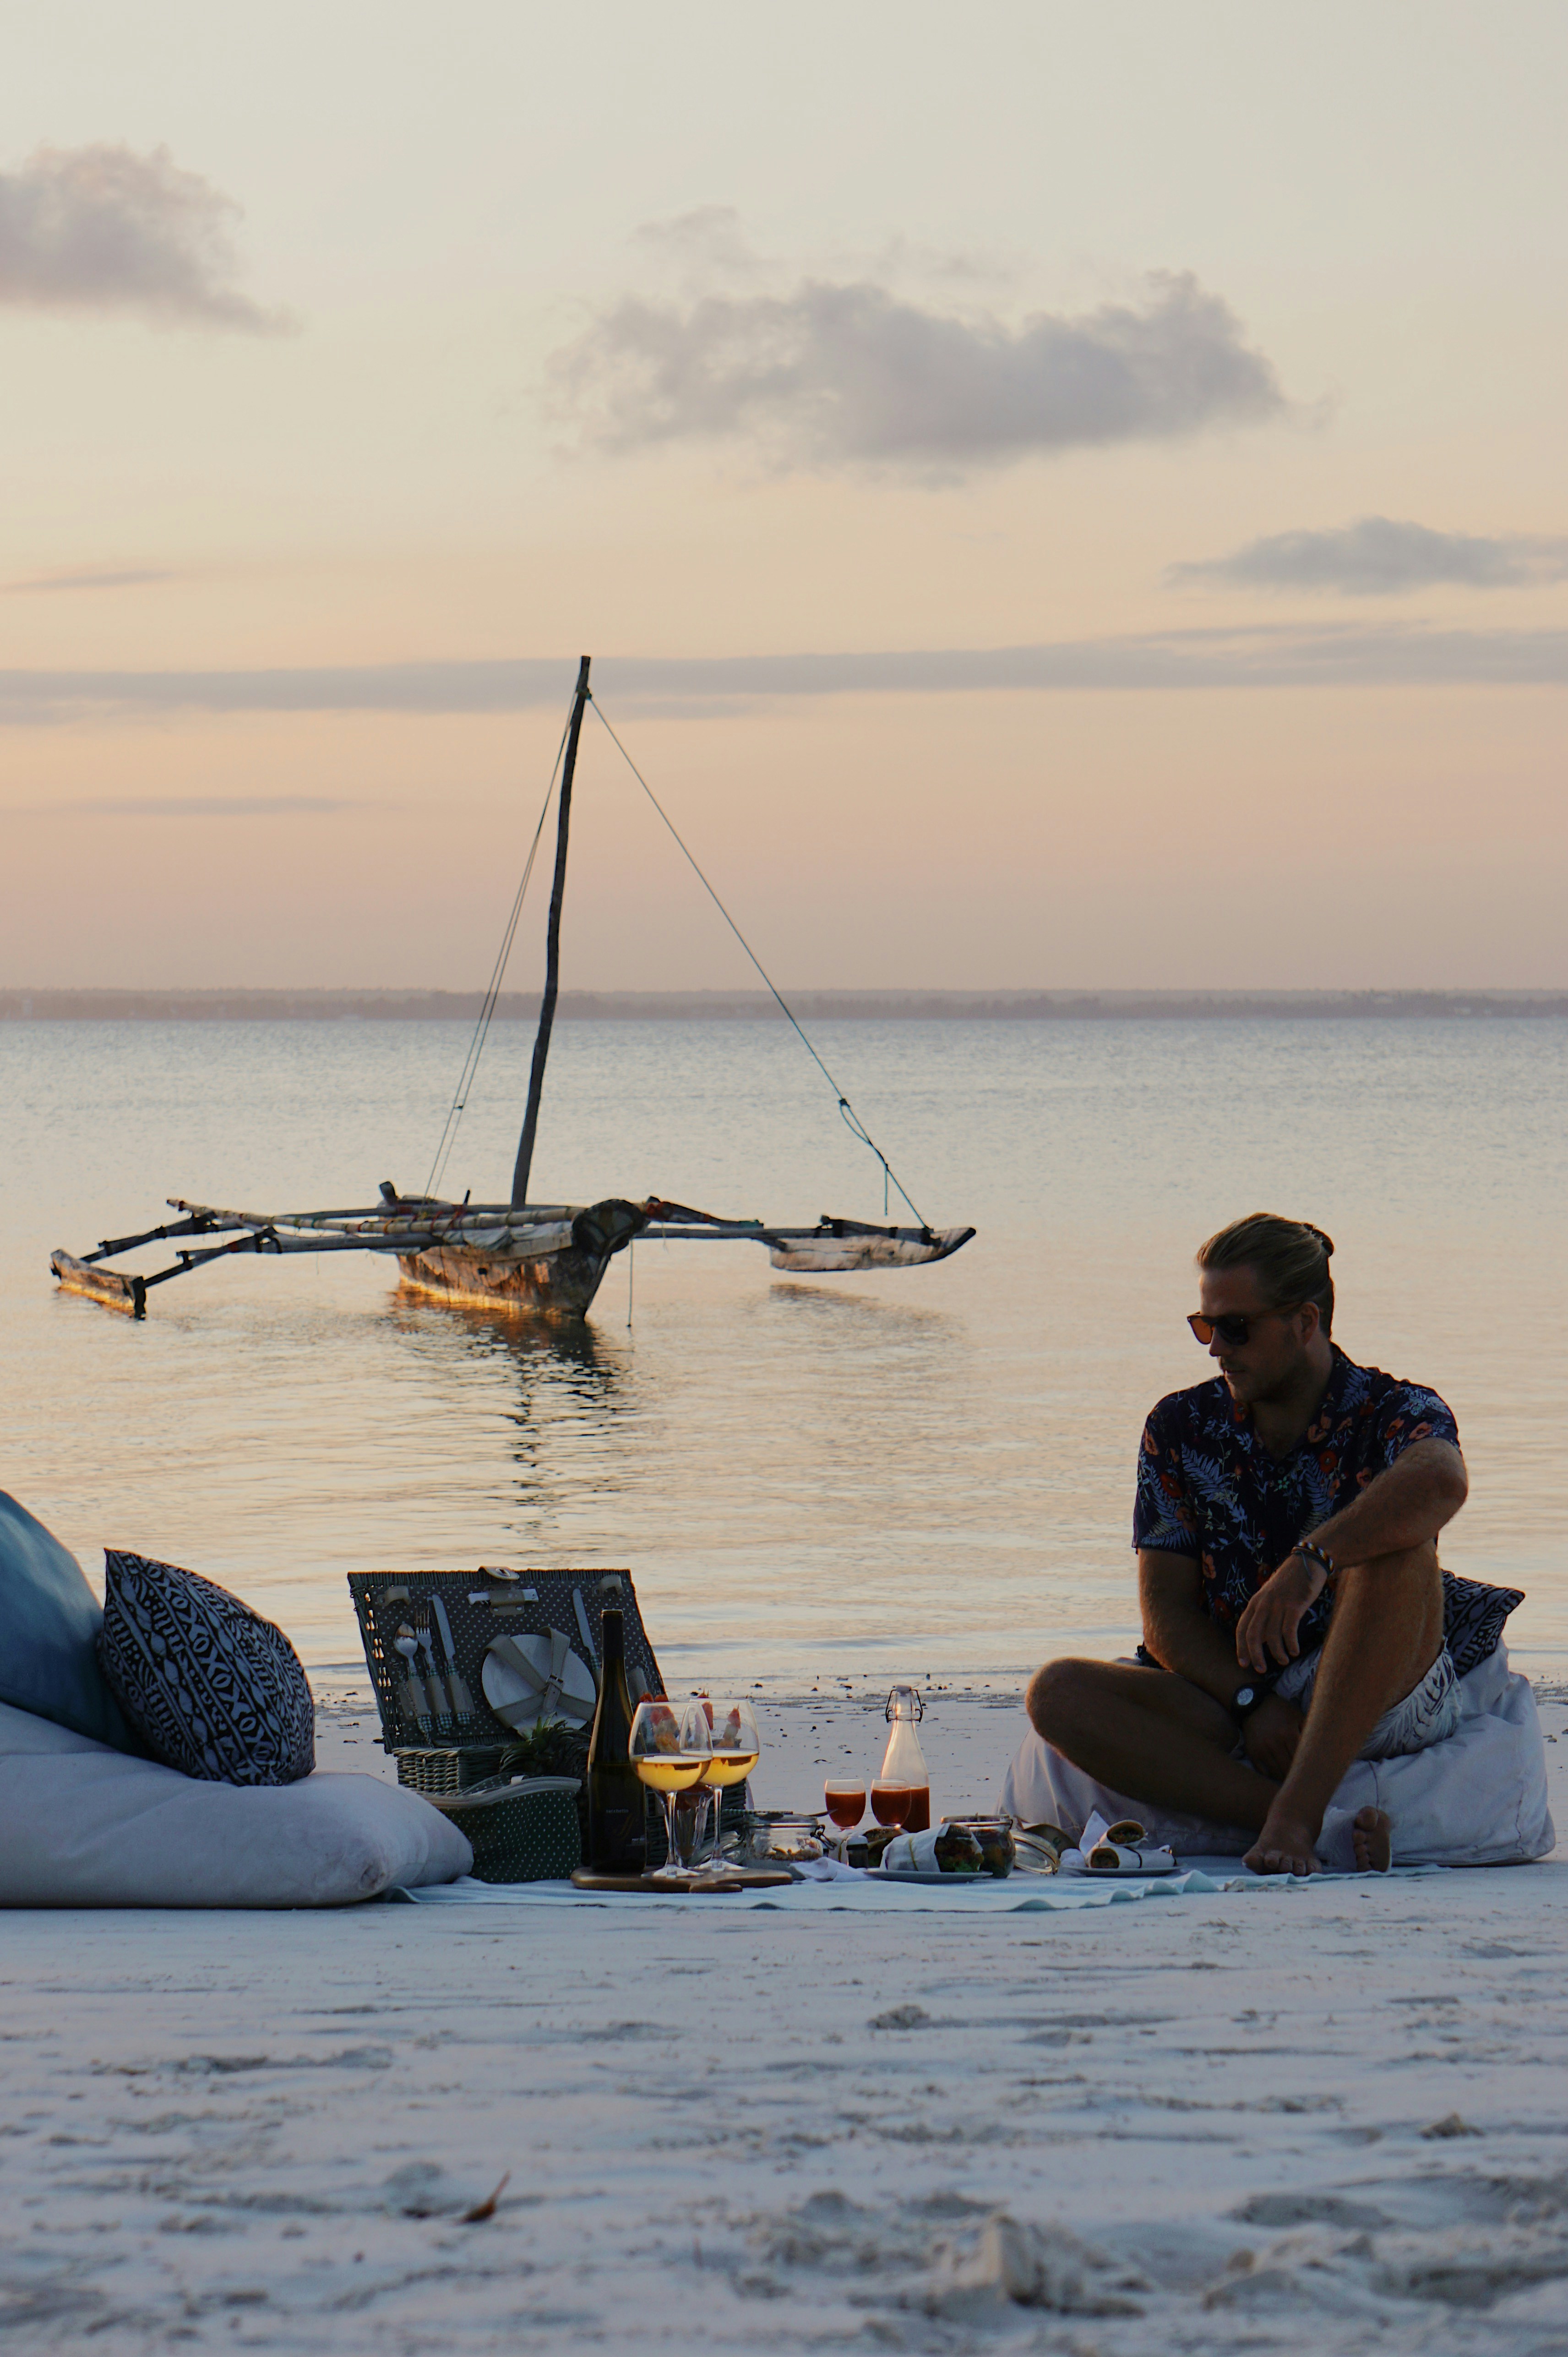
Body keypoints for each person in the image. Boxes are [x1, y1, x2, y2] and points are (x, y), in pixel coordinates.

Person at [1025, 1212, 1510, 1876]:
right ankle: (1319, 1824)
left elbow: (1443, 1480)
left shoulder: (1392, 1409)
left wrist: (1312, 1562)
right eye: (1204, 1325)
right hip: (1238, 1691)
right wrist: (1250, 1701)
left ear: (1305, 1322)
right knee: (1056, 1692)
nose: (1215, 1347)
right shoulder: (1180, 1426)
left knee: (1398, 1549)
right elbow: (1164, 1615)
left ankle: (1294, 1818)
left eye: (1236, 1327)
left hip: (1373, 1679)